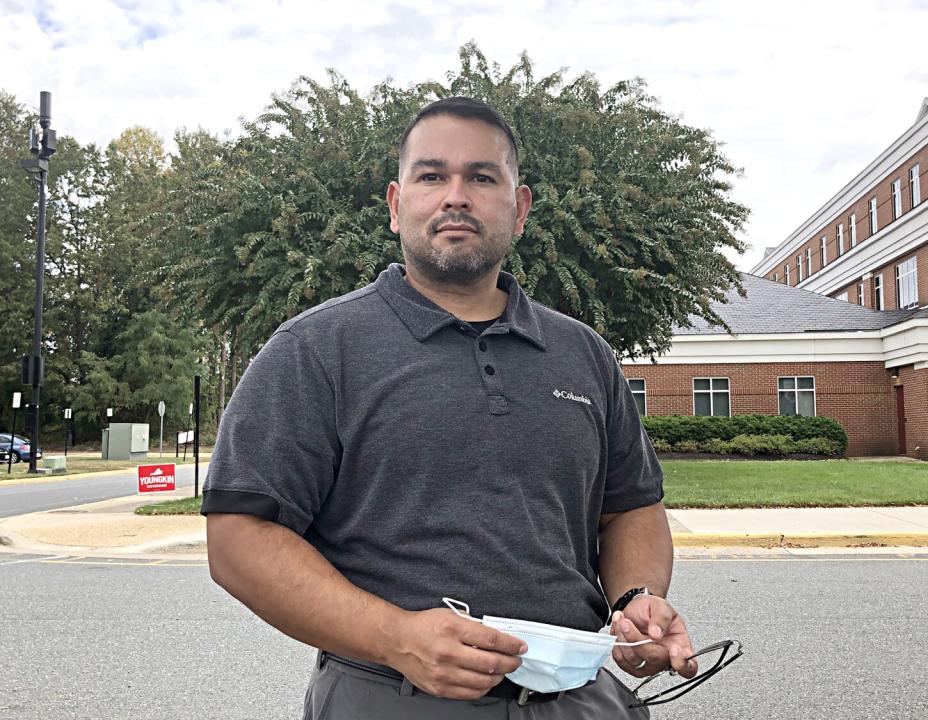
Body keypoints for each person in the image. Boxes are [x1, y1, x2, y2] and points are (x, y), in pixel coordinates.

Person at [202, 96, 696, 719]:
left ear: (519, 210)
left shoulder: (583, 354)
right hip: (393, 697)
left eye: (481, 177)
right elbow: (239, 539)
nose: (455, 196)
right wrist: (397, 638)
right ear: (395, 203)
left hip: (580, 697)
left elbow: (631, 507)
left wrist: (636, 597)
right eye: (432, 175)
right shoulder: (314, 351)